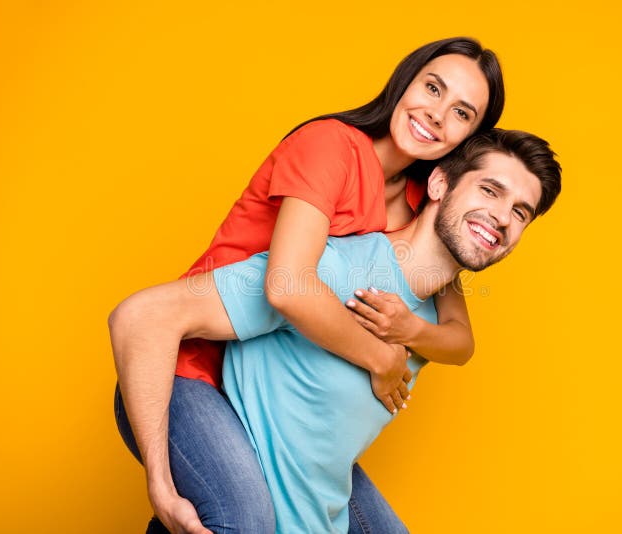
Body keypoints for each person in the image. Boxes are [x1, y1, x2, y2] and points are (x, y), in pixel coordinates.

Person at [113, 37, 505, 533]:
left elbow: (459, 338)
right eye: (432, 88)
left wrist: (409, 330)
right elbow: (287, 286)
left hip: (282, 413)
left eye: (462, 113)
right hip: (190, 365)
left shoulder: (422, 204)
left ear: (468, 142)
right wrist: (382, 355)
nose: (436, 114)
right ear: (406, 81)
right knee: (242, 519)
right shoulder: (331, 147)